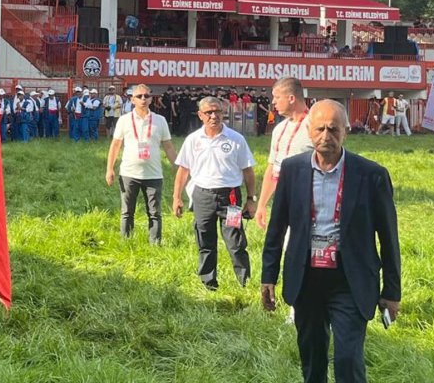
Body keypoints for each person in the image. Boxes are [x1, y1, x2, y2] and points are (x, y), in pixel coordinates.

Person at [261, 100, 402, 383]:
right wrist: (269, 276)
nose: (327, 136)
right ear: (310, 132)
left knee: (348, 359)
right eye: (320, 129)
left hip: (350, 279)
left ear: (346, 131)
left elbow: (389, 237)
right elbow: (276, 228)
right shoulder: (292, 170)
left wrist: (392, 291)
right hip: (306, 277)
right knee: (312, 358)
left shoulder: (371, 175)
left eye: (334, 129)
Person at [172, 96, 257, 290]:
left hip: (231, 198)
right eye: (208, 112)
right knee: (205, 241)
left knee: (235, 242)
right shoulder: (193, 140)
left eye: (217, 111)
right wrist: (177, 197)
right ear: (200, 115)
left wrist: (252, 199)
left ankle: (245, 283)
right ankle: (208, 284)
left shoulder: (236, 139)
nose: (213, 116)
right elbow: (183, 171)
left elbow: (248, 172)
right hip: (202, 196)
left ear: (223, 113)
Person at [105, 84, 176, 244]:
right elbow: (115, 145)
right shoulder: (124, 120)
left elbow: (169, 146)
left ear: (151, 99)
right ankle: (126, 242)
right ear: (132, 100)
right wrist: (110, 169)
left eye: (146, 96)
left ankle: (155, 244)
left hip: (154, 174)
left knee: (155, 213)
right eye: (139, 96)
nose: (143, 99)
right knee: (127, 212)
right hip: (129, 173)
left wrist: (177, 167)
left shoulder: (160, 120)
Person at [256, 77, 315, 231]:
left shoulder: (315, 126)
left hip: (310, 203)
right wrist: (262, 205)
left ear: (291, 98)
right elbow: (273, 167)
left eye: (276, 97)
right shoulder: (279, 129)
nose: (273, 102)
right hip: (285, 201)